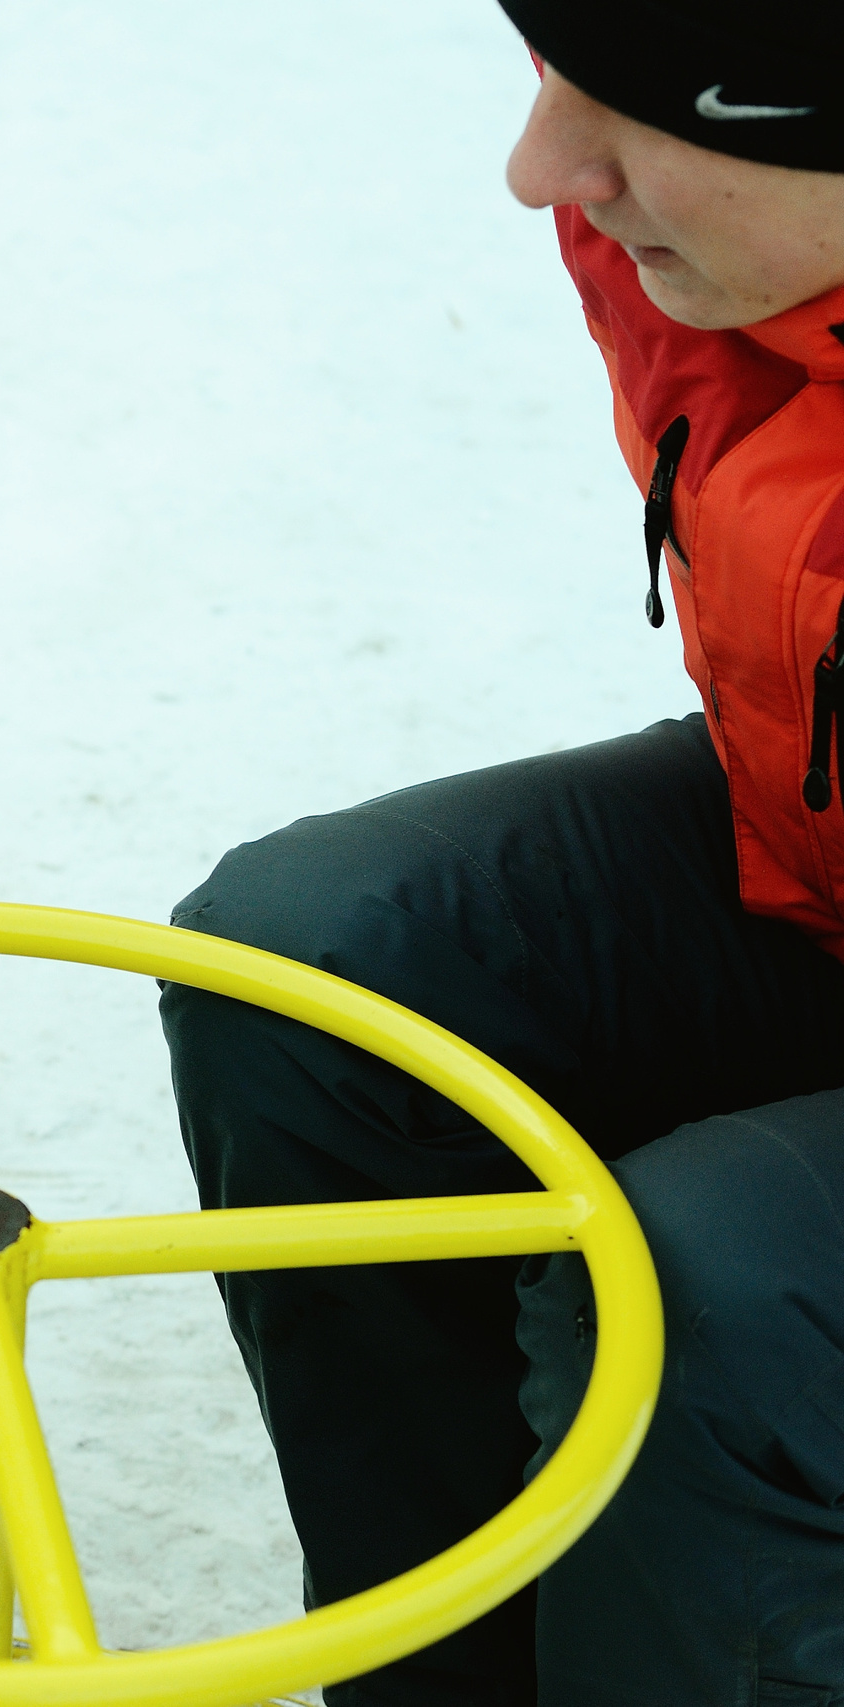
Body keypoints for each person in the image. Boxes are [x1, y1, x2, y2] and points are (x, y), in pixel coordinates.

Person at [157, 5, 844, 1703]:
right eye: (555, 74)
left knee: (709, 1290)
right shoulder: (715, 232)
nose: (541, 169)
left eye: (637, 109)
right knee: (308, 967)